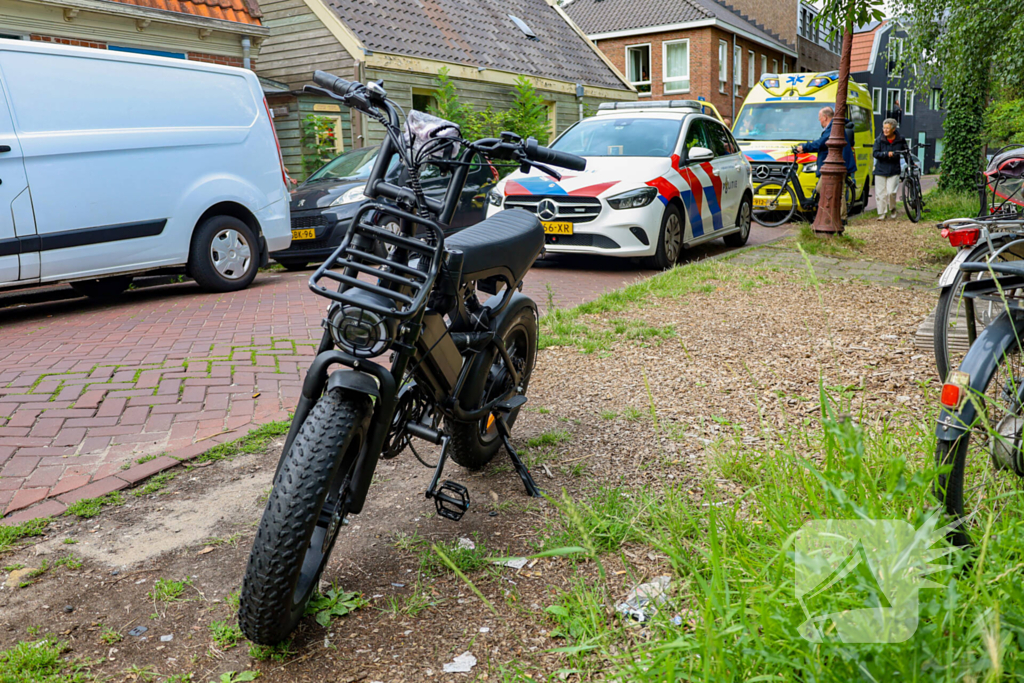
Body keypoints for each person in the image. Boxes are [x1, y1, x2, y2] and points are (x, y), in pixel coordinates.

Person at [797, 106, 857, 222]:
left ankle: (841, 218)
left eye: (820, 118)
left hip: (837, 164)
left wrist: (804, 147)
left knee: (837, 190)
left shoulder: (834, 128)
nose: (819, 121)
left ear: (825, 117)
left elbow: (822, 143)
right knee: (826, 189)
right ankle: (834, 215)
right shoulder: (834, 126)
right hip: (834, 164)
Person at [872, 118, 906, 220]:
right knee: (880, 194)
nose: (885, 130)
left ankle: (892, 208)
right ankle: (882, 214)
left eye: (888, 128)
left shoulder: (900, 139)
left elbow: (905, 152)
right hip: (880, 169)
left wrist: (911, 164)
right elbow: (875, 153)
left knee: (891, 192)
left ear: (894, 129)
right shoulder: (879, 139)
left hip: (894, 170)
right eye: (884, 128)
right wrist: (886, 154)